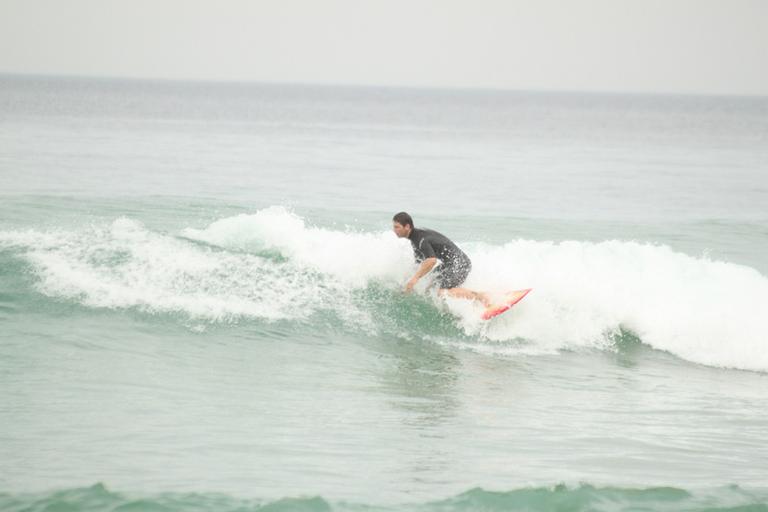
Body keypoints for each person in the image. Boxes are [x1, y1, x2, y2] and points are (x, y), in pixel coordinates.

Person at [392, 212, 491, 307]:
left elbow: (431, 261)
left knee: (442, 292)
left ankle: (480, 297)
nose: (394, 230)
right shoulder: (415, 239)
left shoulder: (421, 240)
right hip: (450, 264)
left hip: (460, 264)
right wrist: (406, 283)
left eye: (397, 227)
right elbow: (419, 264)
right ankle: (470, 302)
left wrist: (414, 279)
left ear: (407, 227)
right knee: (430, 289)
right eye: (394, 227)